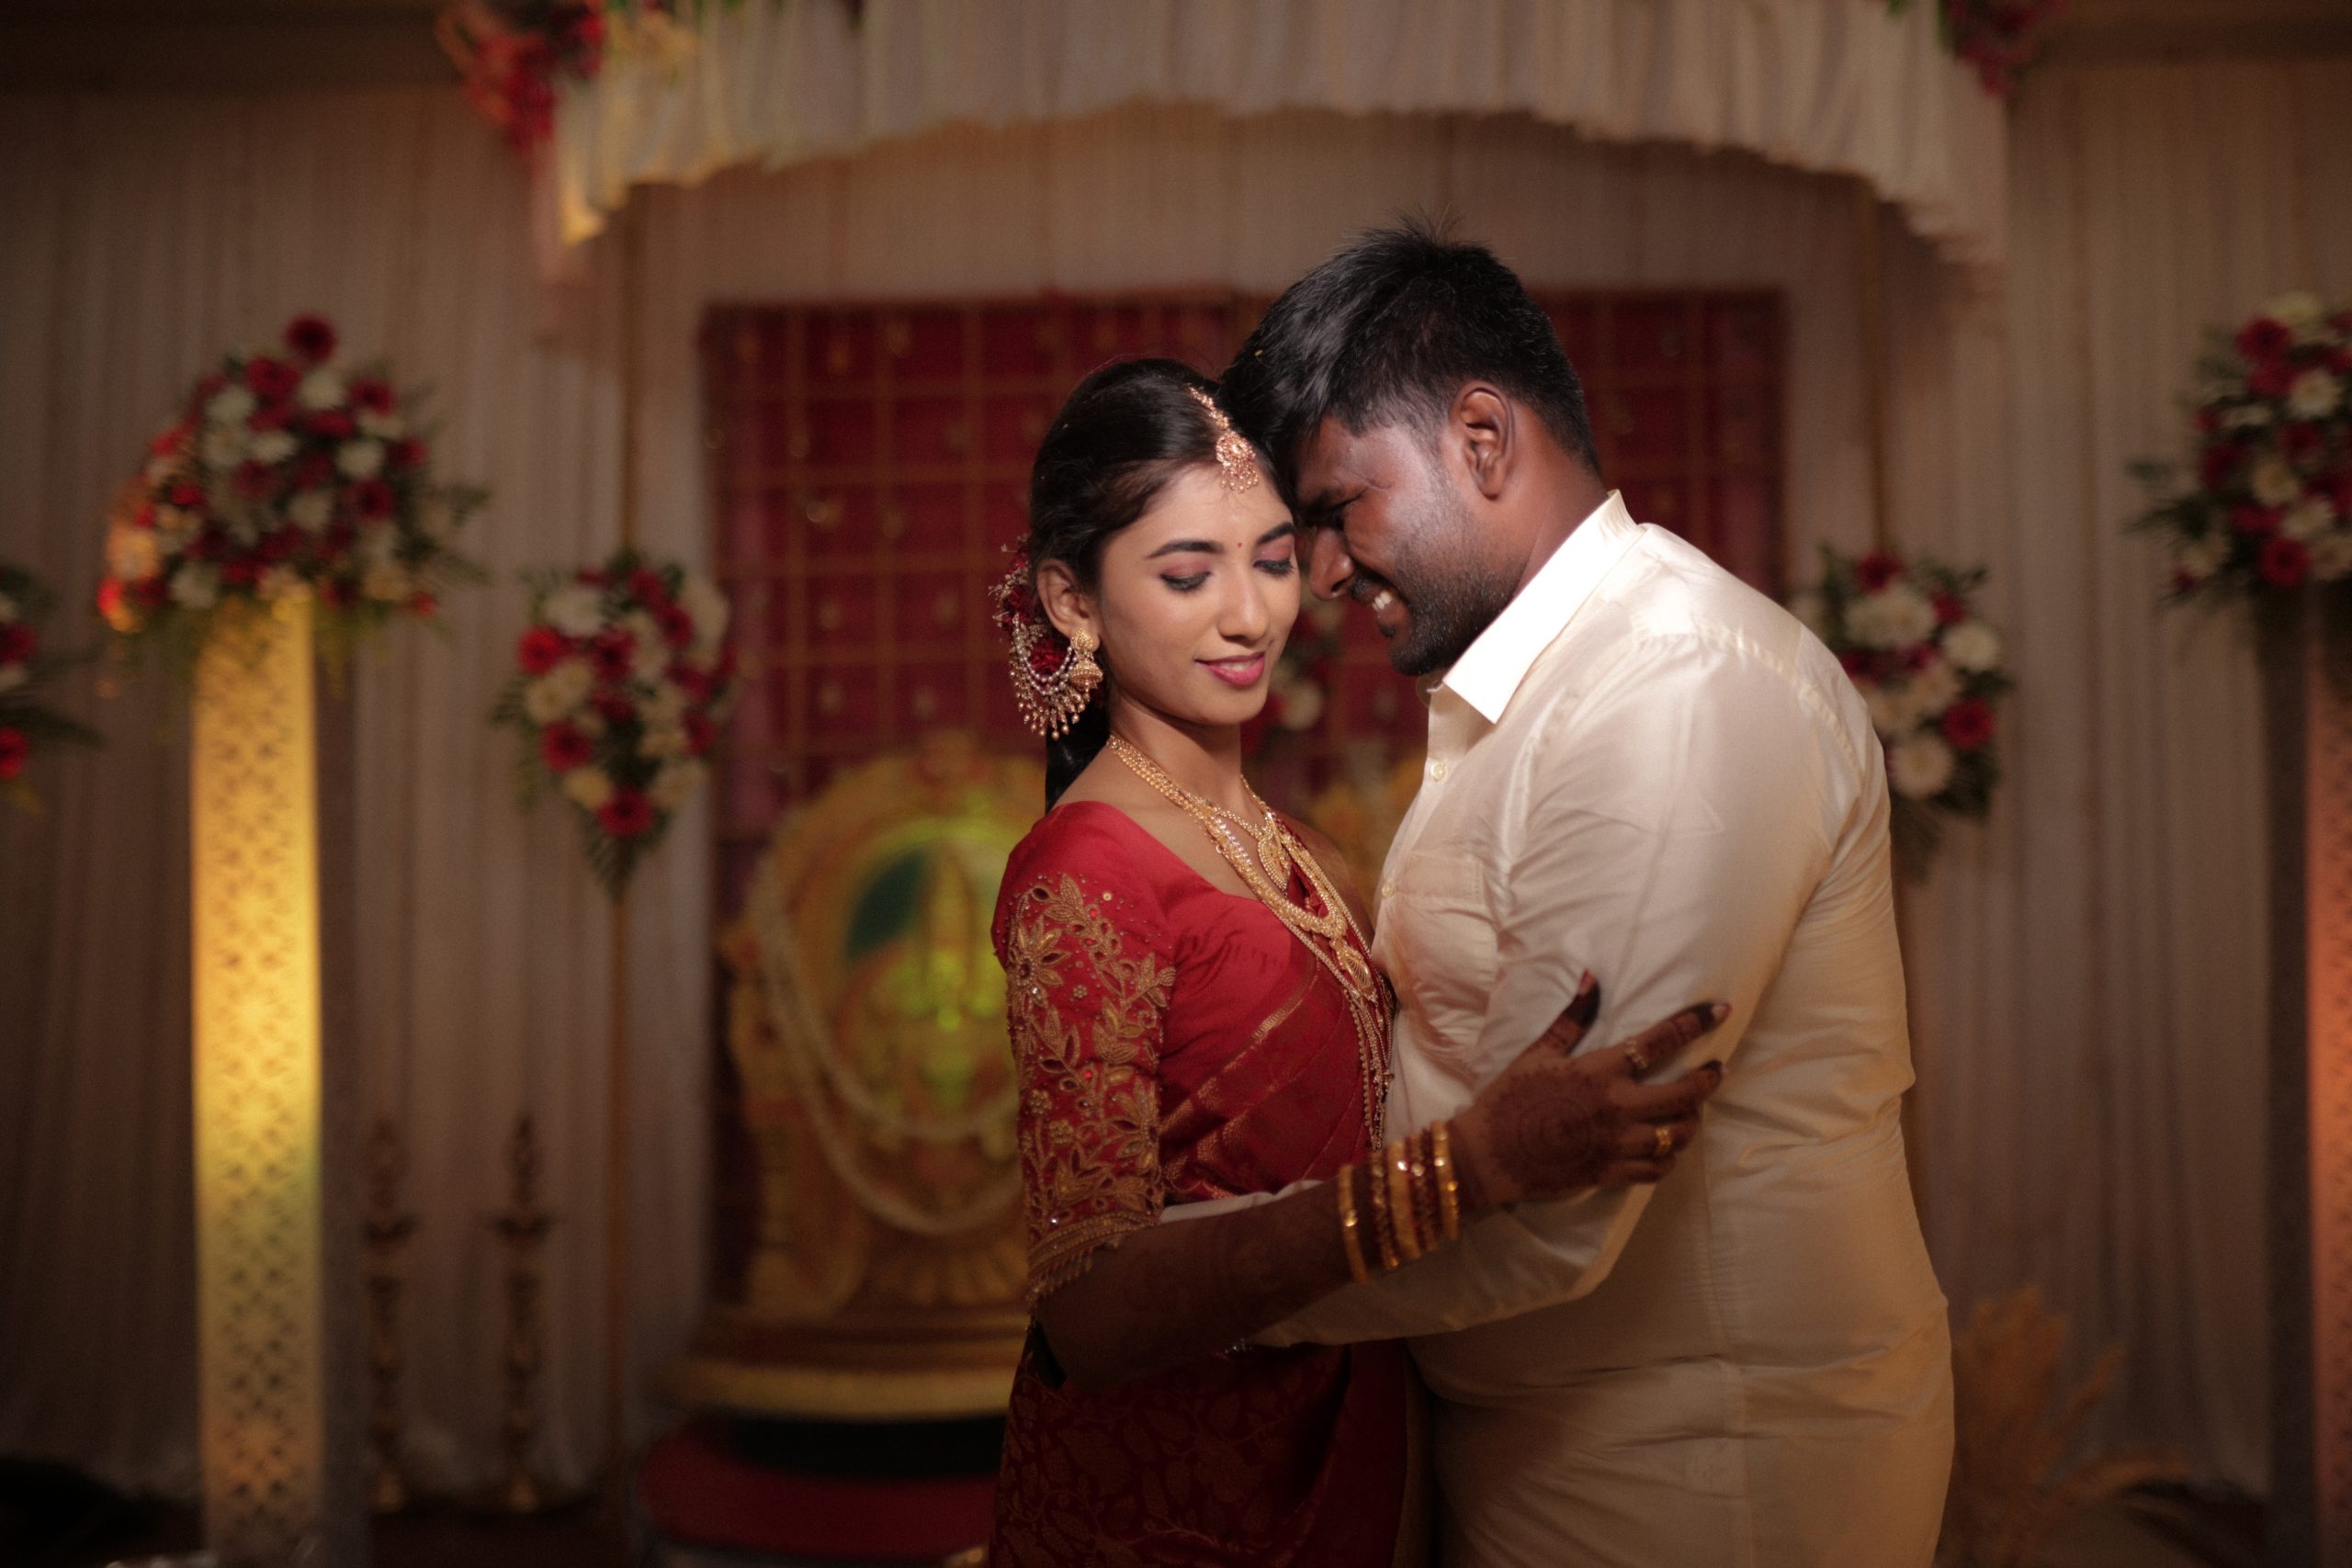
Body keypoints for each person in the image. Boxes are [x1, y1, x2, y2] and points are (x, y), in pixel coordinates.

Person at [1200, 223, 1956, 1567]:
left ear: (1482, 439)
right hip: (1579, 1444)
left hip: (1703, 1470)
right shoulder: (1545, 688)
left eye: (1335, 511)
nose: (1321, 576)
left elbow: (1550, 1212)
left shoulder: (1673, 687)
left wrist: (1196, 1286)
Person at [983, 356, 1729, 1567]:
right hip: (1178, 1507)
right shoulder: (1087, 874)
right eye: (1189, 574)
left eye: (1274, 559)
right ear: (1072, 599)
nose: (1251, 615)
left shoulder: (1298, 846)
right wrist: (1461, 1172)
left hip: (1354, 1446)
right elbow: (1093, 1311)